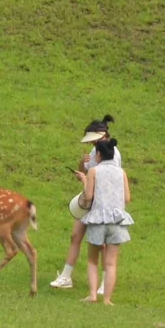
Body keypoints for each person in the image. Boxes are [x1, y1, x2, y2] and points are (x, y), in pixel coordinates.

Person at [50, 116, 121, 289]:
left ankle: (104, 283)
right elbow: (86, 172)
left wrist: (85, 181)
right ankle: (66, 277)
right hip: (90, 201)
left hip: (101, 203)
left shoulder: (112, 154)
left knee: (102, 244)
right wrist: (82, 164)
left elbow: (106, 181)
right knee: (75, 236)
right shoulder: (94, 151)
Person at [78, 136, 133, 305]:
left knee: (92, 260)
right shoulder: (122, 172)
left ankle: (93, 295)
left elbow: (88, 196)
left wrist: (84, 181)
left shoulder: (94, 171)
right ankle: (107, 299)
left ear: (99, 154)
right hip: (117, 221)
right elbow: (127, 198)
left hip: (98, 220)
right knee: (111, 264)